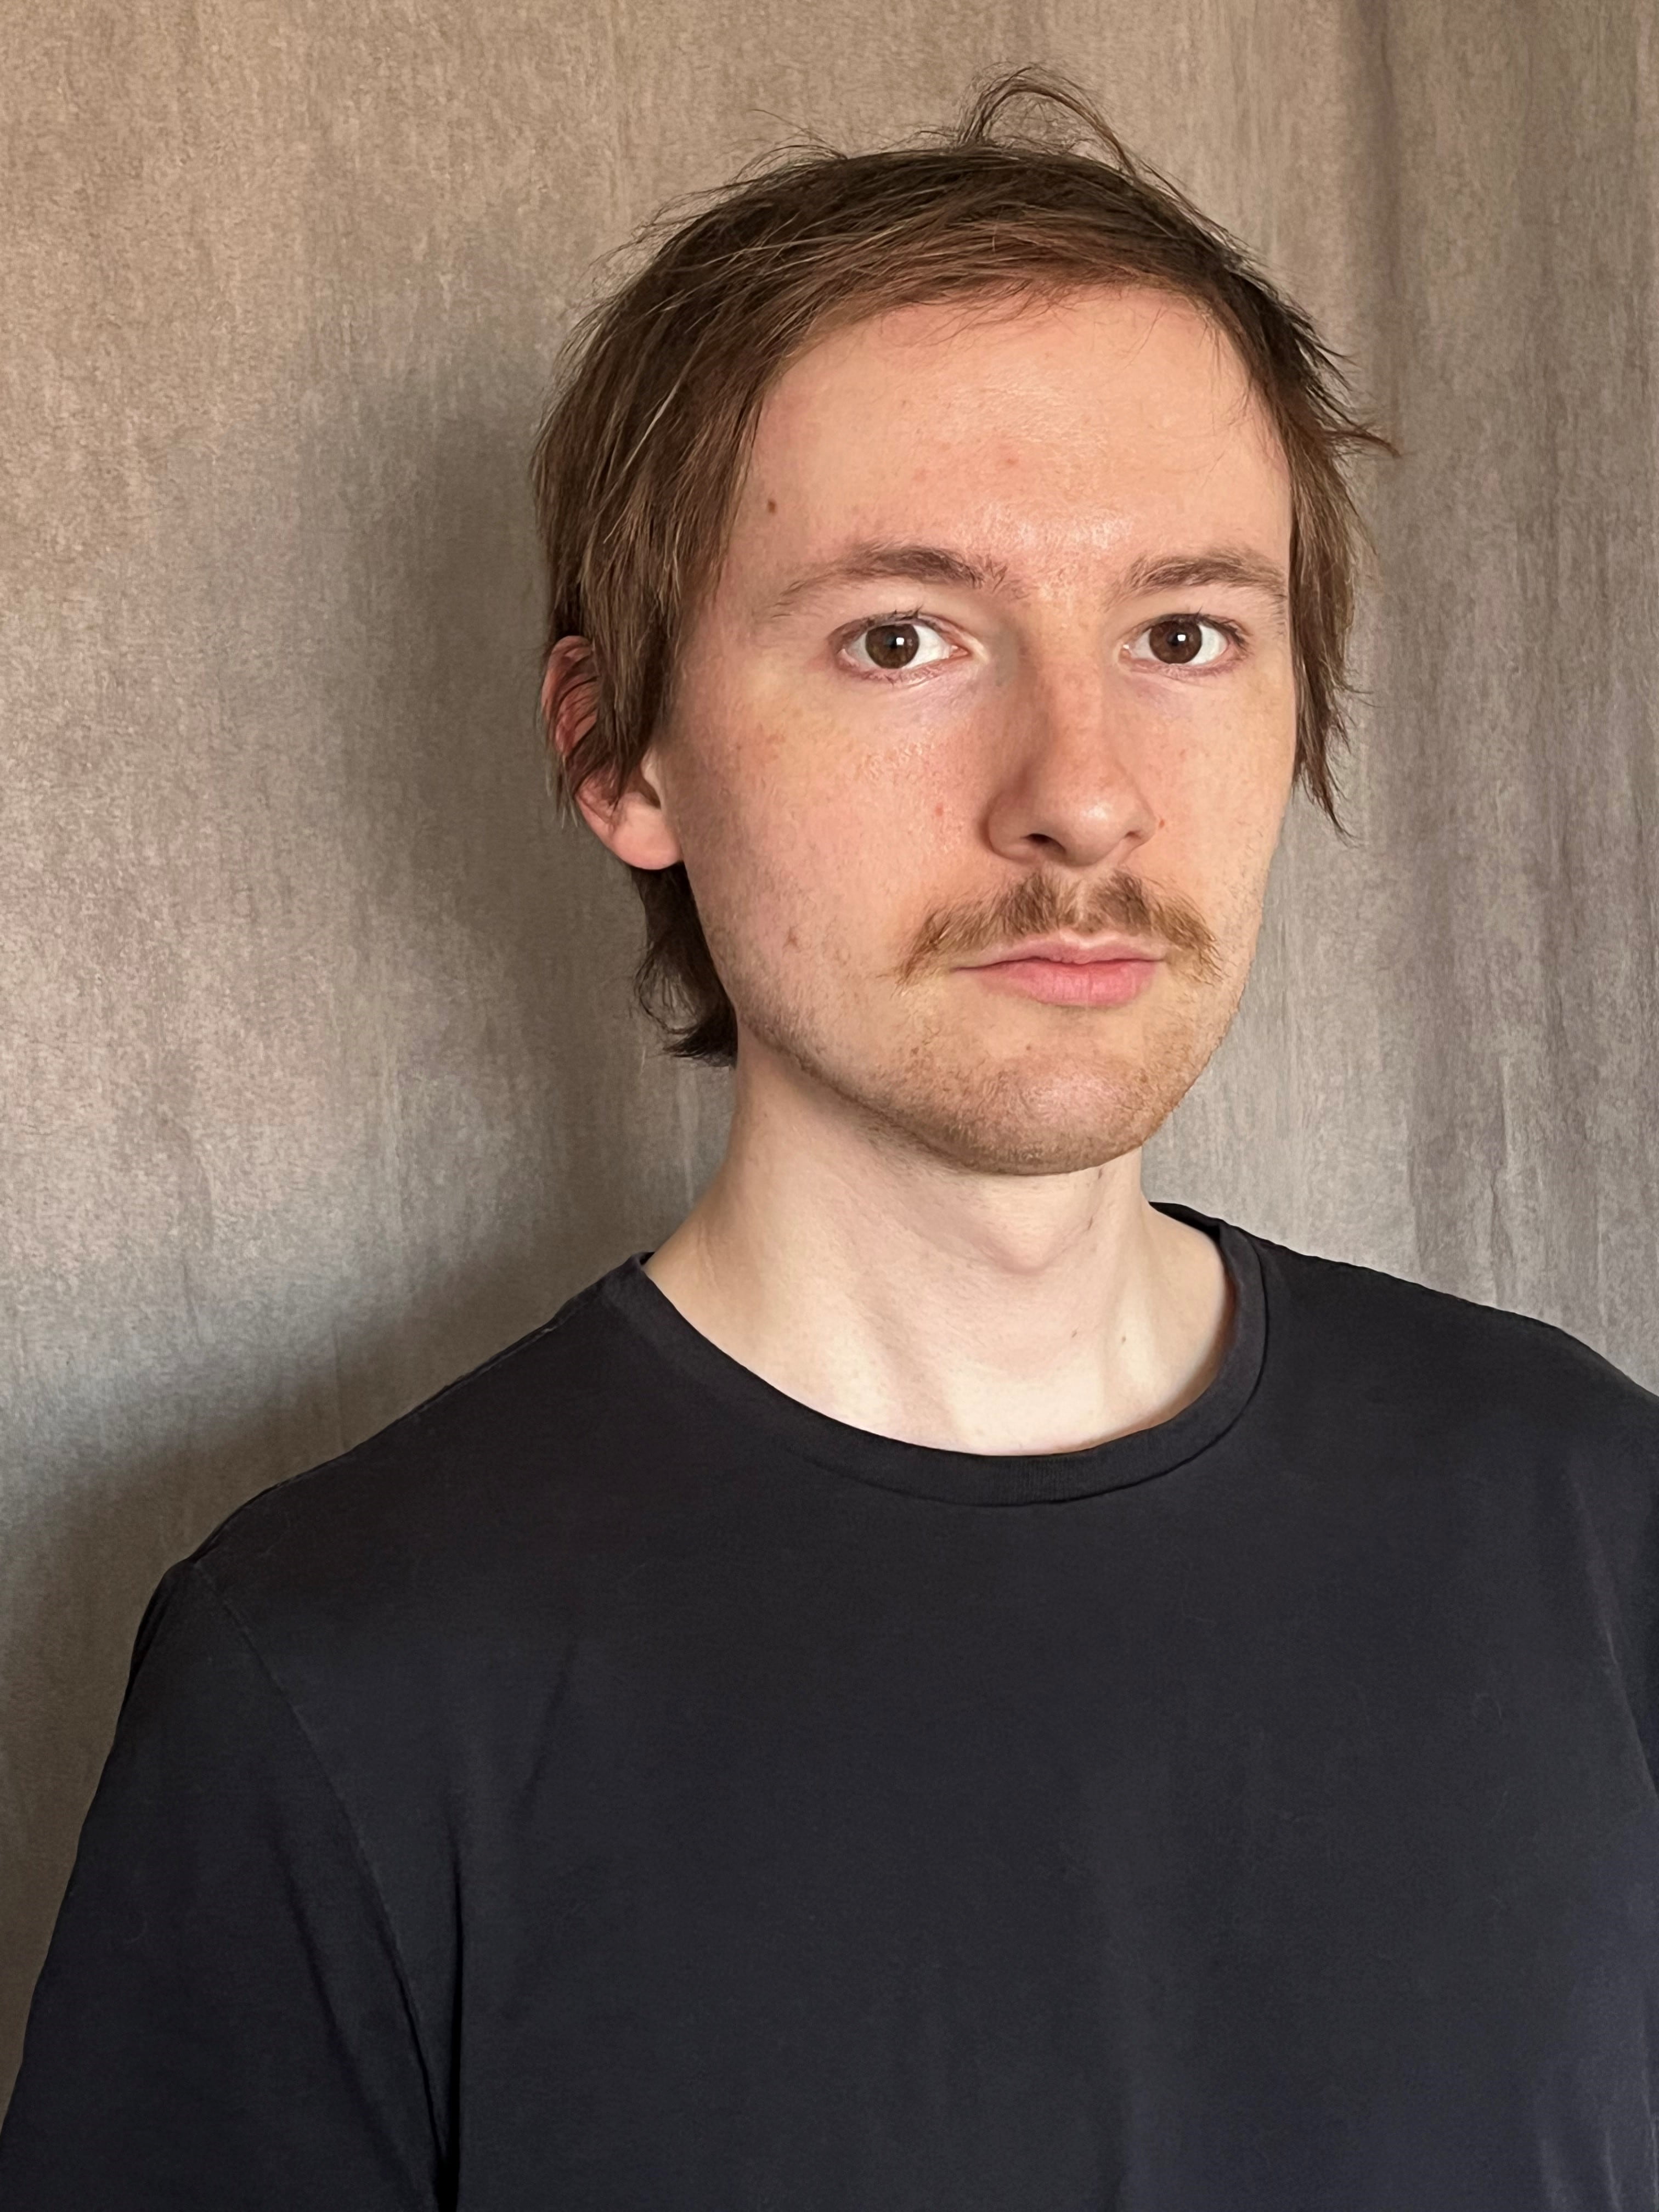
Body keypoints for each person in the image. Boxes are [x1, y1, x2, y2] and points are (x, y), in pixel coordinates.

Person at [3, 65, 1656, 2211]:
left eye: (1184, 632)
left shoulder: (1593, 1517)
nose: (1081, 788)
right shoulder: (332, 1682)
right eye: (905, 637)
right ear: (620, 755)